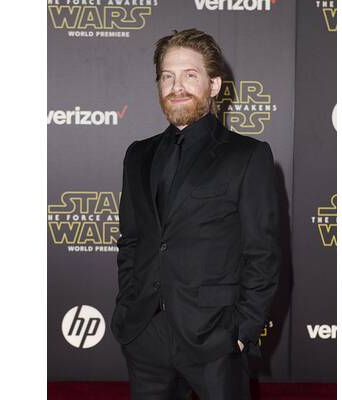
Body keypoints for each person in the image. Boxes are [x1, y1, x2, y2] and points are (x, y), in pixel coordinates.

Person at [111, 28, 281, 400]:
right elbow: (132, 240)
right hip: (145, 334)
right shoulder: (138, 155)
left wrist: (242, 332)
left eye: (190, 75)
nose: (177, 86)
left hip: (215, 337)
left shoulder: (248, 156)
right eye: (167, 76)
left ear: (214, 85)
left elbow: (262, 253)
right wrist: (127, 307)